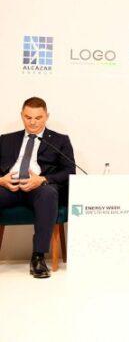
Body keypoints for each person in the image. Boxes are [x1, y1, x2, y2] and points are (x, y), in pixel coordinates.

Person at [0, 97, 75, 278]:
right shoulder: (6, 139)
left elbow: (69, 171)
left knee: (48, 193)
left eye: (38, 118)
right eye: (28, 117)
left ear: (46, 116)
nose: (33, 122)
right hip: (9, 186)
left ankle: (38, 257)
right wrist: (1, 180)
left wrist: (42, 179)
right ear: (22, 116)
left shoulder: (60, 140)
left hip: (39, 189)